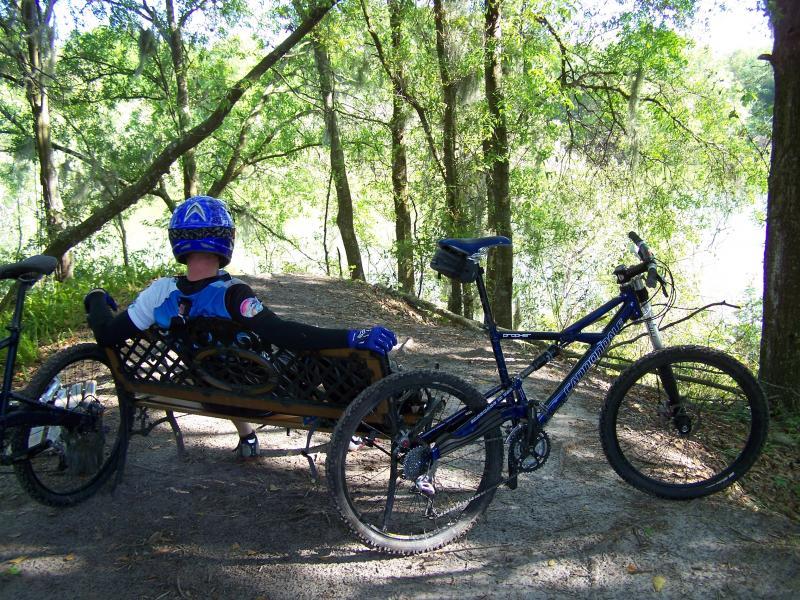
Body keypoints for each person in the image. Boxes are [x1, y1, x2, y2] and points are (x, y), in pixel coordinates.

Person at [84, 195, 396, 458]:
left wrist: (97, 299)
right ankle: (357, 427)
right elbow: (283, 333)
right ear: (225, 239)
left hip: (209, 391)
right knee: (332, 356)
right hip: (264, 396)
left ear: (177, 239)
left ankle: (247, 438)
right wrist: (353, 336)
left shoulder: (159, 293)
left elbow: (107, 334)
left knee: (219, 363)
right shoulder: (233, 294)